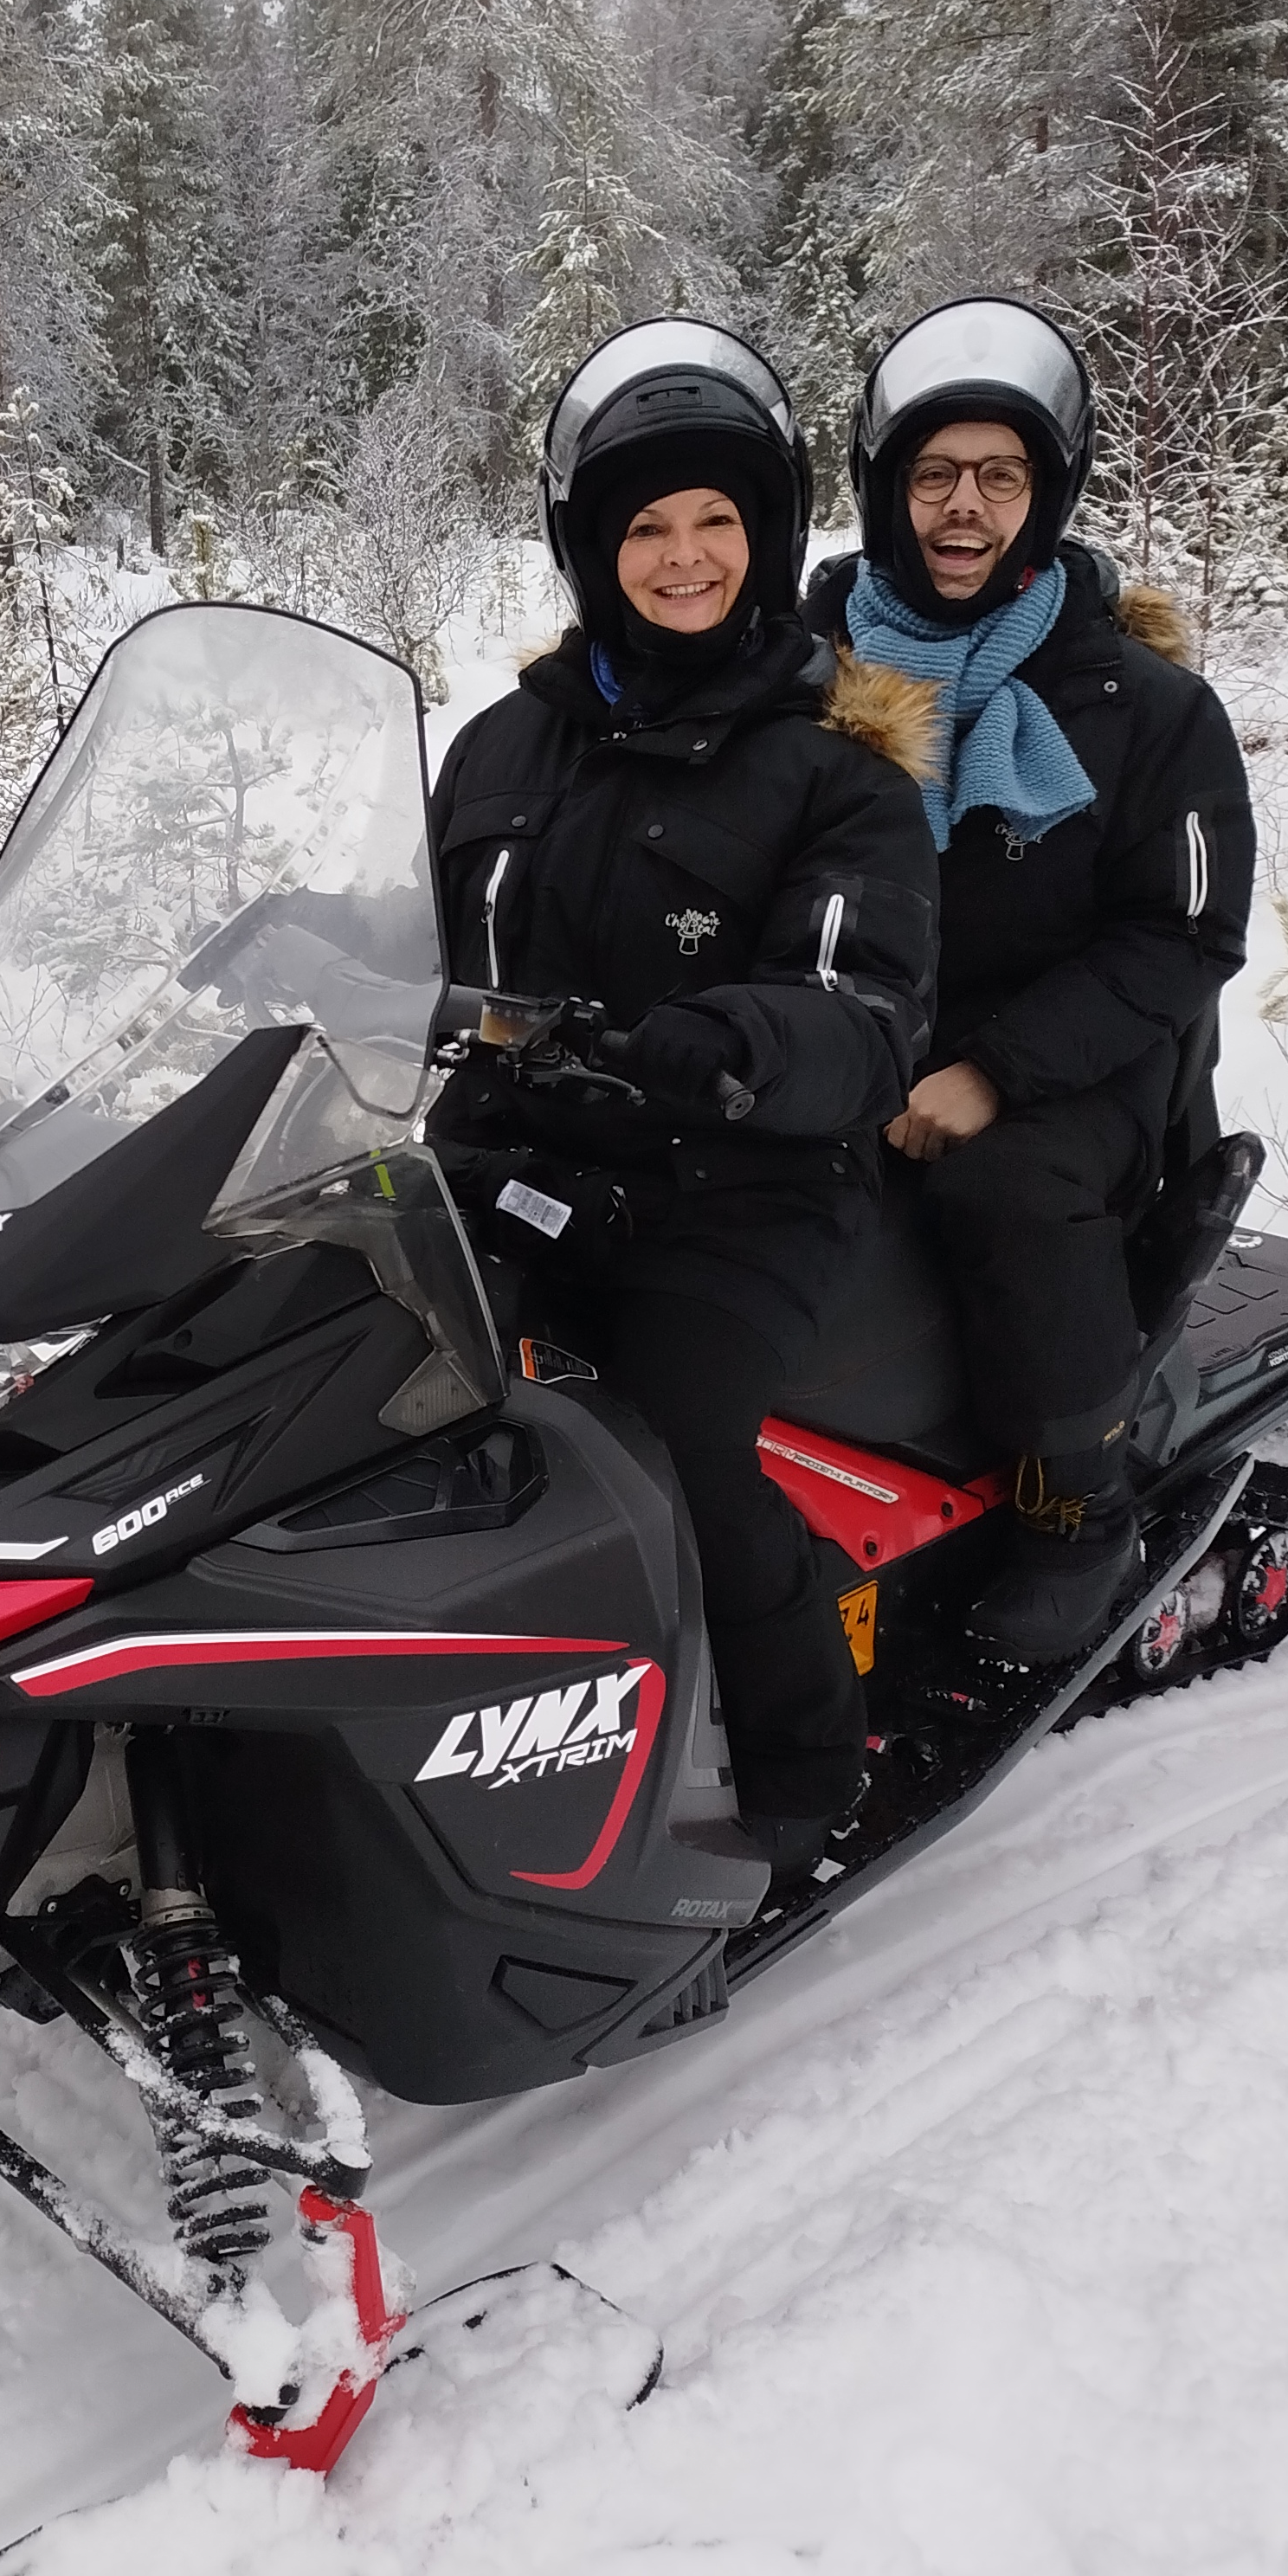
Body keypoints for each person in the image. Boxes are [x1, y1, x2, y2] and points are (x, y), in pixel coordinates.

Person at [429, 320, 941, 1866]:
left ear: (768, 539)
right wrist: (292, 940)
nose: (684, 555)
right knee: (331, 1370)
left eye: (717, 519)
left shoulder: (837, 768)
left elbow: (866, 1010)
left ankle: (803, 1775)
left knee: (668, 1445)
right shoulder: (502, 744)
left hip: (736, 1187)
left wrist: (737, 1039)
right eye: (646, 525)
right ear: (593, 549)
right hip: (509, 1159)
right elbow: (418, 933)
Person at [807, 297, 1256, 1661]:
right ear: (886, 490)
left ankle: (1079, 1504)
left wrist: (994, 1073)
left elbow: (1184, 936)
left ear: (1047, 495)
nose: (966, 506)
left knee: (1004, 1188)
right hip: (858, 1030)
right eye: (935, 474)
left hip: (1076, 1069)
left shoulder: (1147, 708)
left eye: (1001, 476)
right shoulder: (808, 676)